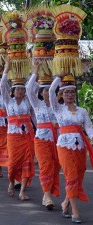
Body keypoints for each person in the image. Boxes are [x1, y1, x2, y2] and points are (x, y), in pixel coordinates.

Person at [49, 72, 93, 223]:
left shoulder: (82, 111)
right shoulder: (59, 109)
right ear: (61, 94)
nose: (70, 94)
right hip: (64, 146)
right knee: (71, 176)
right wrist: (58, 78)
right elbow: (50, 92)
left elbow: (89, 128)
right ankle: (75, 211)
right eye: (66, 92)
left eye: (72, 92)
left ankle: (66, 202)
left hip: (80, 146)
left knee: (79, 176)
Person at [26, 62, 60, 210]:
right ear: (40, 93)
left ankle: (49, 192)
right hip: (41, 140)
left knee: (54, 168)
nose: (46, 92)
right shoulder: (37, 105)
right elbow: (28, 88)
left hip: (58, 140)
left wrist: (59, 76)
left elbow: (54, 90)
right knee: (45, 167)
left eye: (49, 90)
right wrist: (35, 72)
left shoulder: (57, 106)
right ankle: (46, 196)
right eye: (44, 90)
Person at [0, 61, 36, 201]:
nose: (20, 91)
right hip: (13, 136)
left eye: (22, 89)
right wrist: (6, 70)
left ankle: (22, 191)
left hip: (27, 135)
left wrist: (34, 71)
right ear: (13, 91)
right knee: (14, 162)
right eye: (18, 89)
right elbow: (3, 86)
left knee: (27, 160)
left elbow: (34, 118)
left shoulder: (28, 102)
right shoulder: (8, 102)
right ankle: (11, 182)